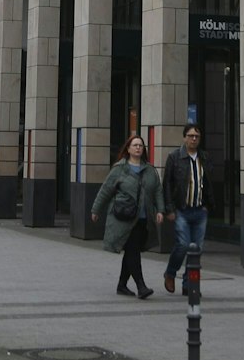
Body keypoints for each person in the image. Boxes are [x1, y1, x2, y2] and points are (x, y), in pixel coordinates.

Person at [90, 135, 164, 299]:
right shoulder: (119, 169)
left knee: (132, 251)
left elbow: (158, 191)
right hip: (124, 218)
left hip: (143, 219)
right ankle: (141, 286)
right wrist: (96, 210)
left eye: (141, 145)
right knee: (133, 251)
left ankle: (122, 285)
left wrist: (160, 210)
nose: (138, 148)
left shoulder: (150, 170)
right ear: (128, 149)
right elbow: (106, 190)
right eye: (135, 145)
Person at [161, 124, 210, 294]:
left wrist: (207, 205)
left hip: (200, 210)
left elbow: (208, 182)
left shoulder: (204, 157)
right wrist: (169, 209)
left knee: (196, 249)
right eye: (190, 136)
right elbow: (167, 184)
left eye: (197, 136)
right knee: (183, 245)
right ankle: (170, 273)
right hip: (181, 209)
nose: (194, 139)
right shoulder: (174, 157)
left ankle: (189, 284)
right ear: (184, 138)